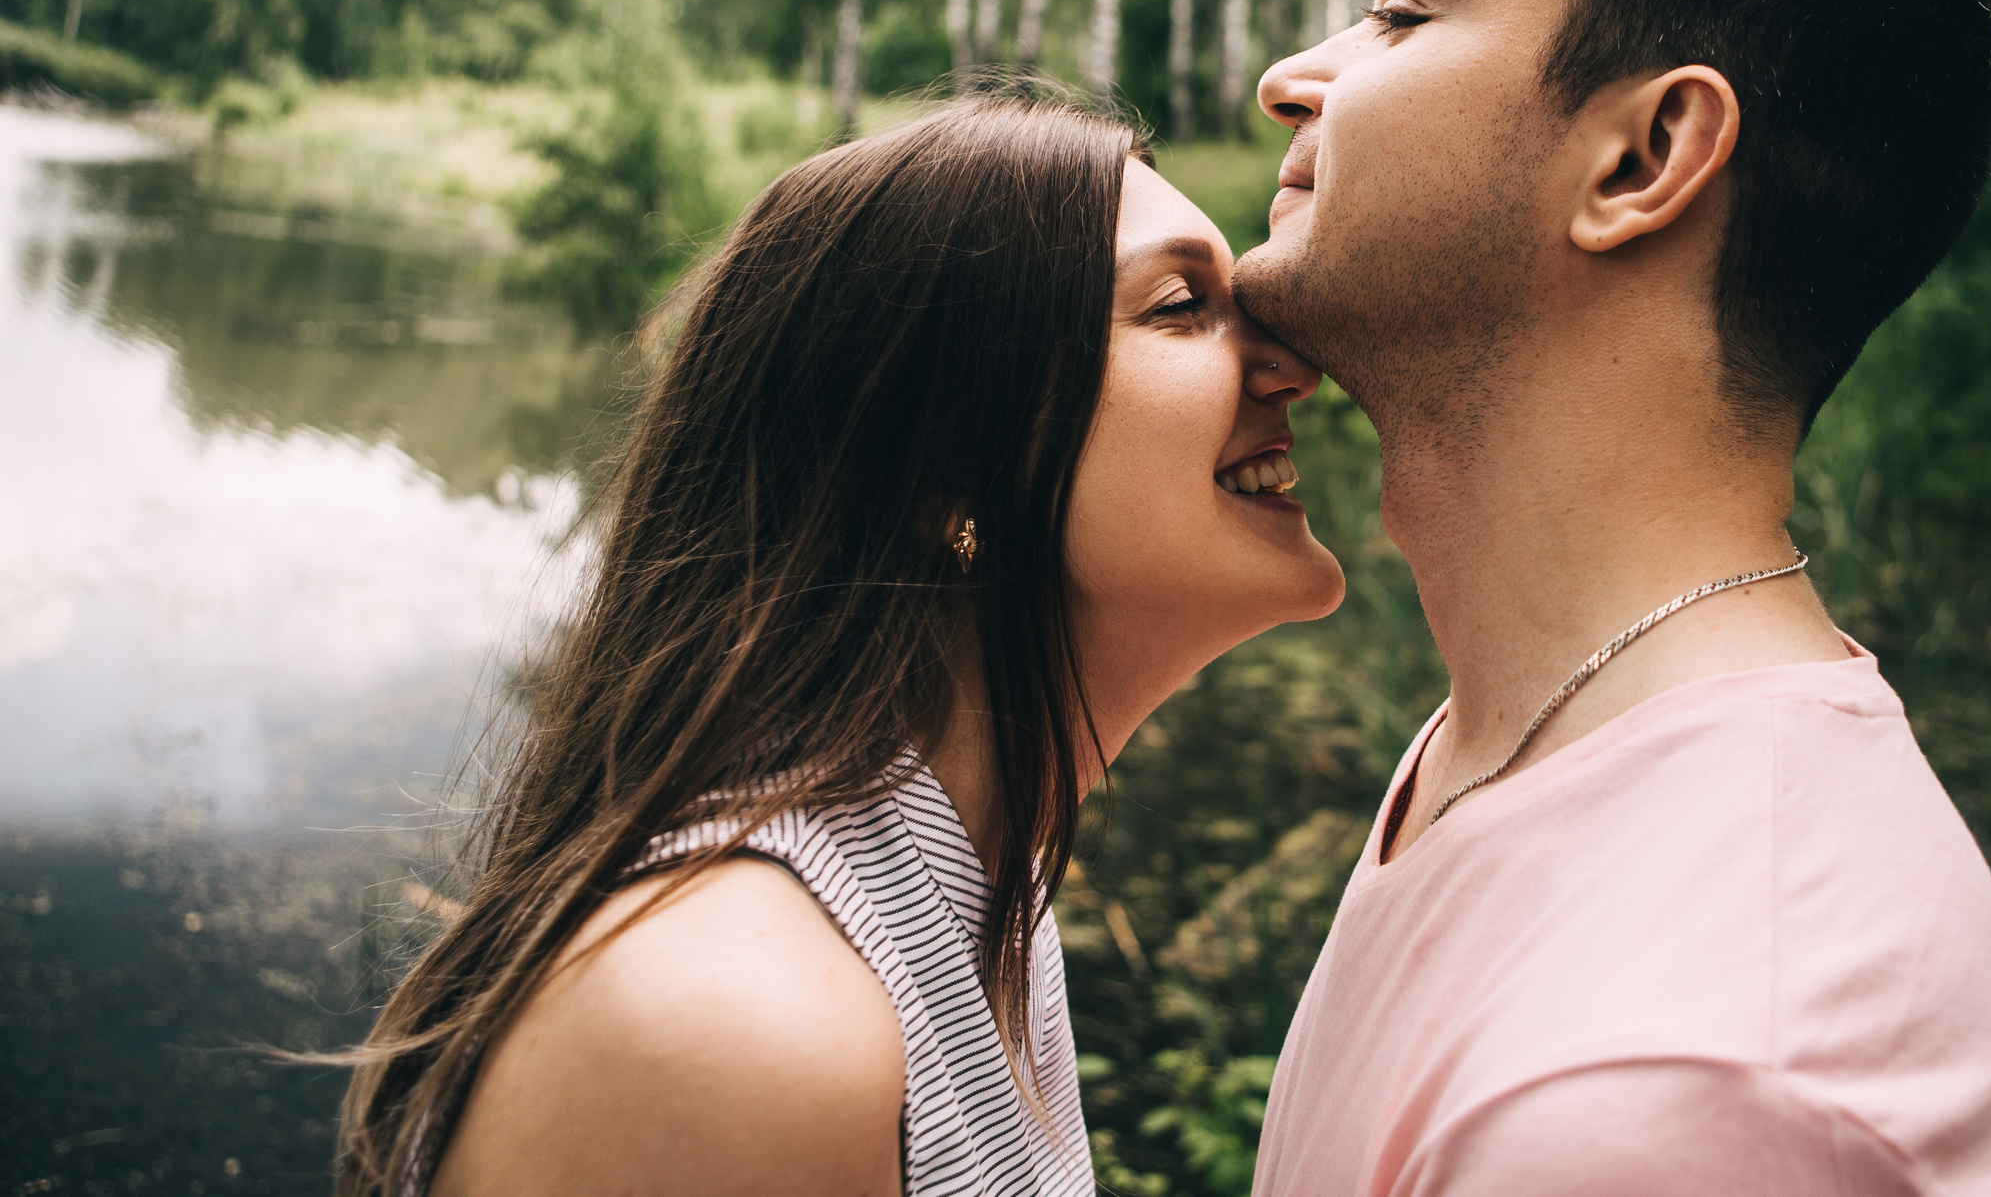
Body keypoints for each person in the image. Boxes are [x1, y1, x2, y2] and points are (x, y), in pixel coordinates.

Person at [1235, 0, 1991, 1195]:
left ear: (1642, 156)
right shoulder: (1534, 732)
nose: (1292, 75)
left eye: (1404, 13)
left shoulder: (1668, 1090)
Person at [335, 94, 1345, 1197]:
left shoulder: (979, 915)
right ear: (944, 474)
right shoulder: (732, 1019)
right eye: (1181, 305)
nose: (1291, 363)